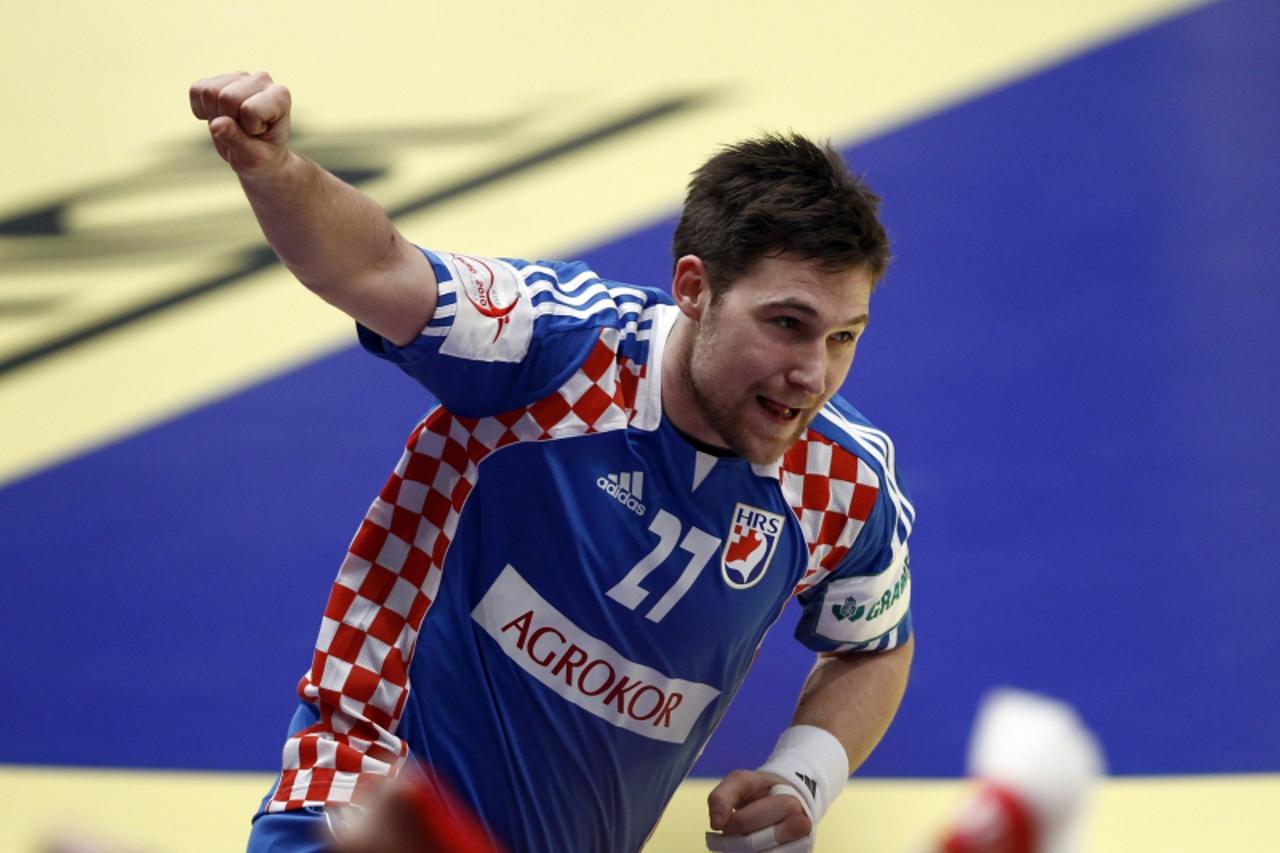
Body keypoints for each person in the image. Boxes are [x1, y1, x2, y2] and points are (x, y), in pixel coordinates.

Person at [189, 70, 916, 853]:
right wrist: (279, 171)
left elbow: (874, 643)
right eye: (787, 322)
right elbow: (372, 265)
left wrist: (804, 773)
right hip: (365, 810)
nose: (814, 371)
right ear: (694, 287)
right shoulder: (549, 347)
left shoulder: (840, 480)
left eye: (844, 336)